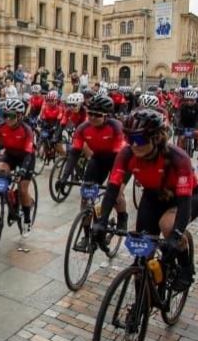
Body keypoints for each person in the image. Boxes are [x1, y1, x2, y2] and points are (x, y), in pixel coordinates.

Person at [93, 109, 195, 290]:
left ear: (156, 138)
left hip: (185, 197)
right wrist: (102, 221)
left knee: (167, 225)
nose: (133, 145)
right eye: (129, 139)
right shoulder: (127, 154)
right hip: (153, 195)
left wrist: (176, 235)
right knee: (142, 254)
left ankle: (186, 267)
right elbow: (113, 188)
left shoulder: (179, 159)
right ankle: (140, 306)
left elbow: (184, 202)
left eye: (139, 139)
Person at [56, 94, 128, 241]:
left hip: (118, 160)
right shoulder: (83, 128)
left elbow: (119, 158)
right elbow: (74, 155)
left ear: (106, 115)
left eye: (98, 115)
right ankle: (86, 235)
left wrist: (114, 186)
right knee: (86, 196)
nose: (93, 117)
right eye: (90, 113)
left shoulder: (116, 127)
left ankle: (122, 219)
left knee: (117, 193)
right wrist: (64, 177)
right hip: (98, 159)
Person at [0, 98, 36, 236]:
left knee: (23, 189)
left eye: (11, 116)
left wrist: (23, 169)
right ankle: (9, 197)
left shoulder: (27, 130)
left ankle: (27, 221)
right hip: (10, 155)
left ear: (19, 116)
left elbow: (29, 154)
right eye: (5, 115)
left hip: (26, 157)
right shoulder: (0, 127)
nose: (7, 119)